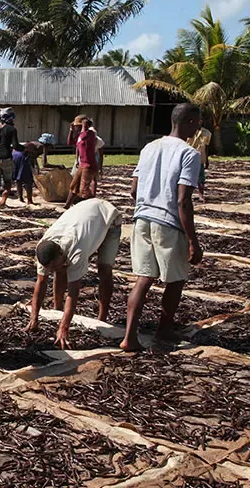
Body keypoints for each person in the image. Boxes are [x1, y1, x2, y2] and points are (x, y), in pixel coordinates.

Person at [121, 103, 204, 352]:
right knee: (175, 279)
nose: (198, 127)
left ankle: (129, 337)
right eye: (197, 122)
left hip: (142, 218)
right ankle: (164, 330)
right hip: (168, 222)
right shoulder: (189, 154)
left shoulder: (149, 148)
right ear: (189, 121)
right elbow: (183, 200)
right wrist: (193, 240)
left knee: (144, 277)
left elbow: (134, 190)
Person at [27, 198, 122, 349]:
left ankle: (102, 318)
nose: (52, 271)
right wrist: (34, 317)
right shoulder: (43, 249)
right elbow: (41, 282)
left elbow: (73, 293)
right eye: (49, 268)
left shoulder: (76, 251)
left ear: (61, 252)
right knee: (61, 270)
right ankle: (57, 309)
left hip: (107, 218)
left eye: (55, 266)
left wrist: (63, 328)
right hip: (83, 215)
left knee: (104, 269)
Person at [0, 107, 24, 207]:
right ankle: (4, 197)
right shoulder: (11, 130)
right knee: (7, 181)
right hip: (7, 159)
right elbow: (15, 146)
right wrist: (25, 148)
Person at [65, 118, 98, 208]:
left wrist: (84, 125)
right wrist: (71, 130)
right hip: (82, 164)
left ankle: (93, 206)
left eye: (76, 126)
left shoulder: (89, 134)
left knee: (84, 190)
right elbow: (69, 142)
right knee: (73, 186)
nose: (75, 127)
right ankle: (67, 205)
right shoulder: (79, 136)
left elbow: (84, 135)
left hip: (89, 165)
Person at [187, 122, 211, 202]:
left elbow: (206, 147)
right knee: (187, 177)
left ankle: (201, 195)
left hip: (200, 157)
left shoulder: (207, 133)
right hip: (188, 157)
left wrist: (206, 160)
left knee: (201, 178)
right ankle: (187, 195)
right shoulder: (187, 130)